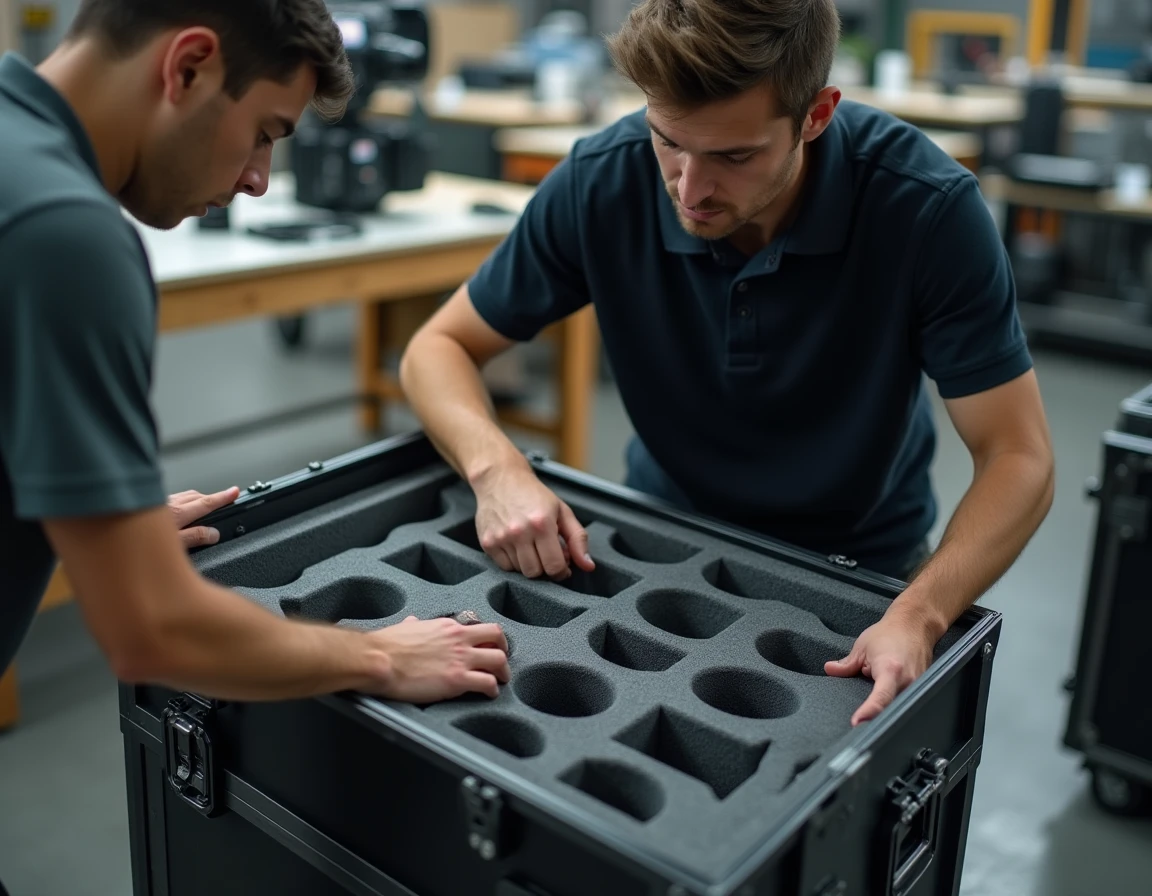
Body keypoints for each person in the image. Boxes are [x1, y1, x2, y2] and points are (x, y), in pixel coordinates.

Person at [399, 0, 1055, 726]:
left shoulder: (926, 209)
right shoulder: (602, 181)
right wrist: (498, 470)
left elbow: (1019, 456)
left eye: (735, 156)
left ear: (817, 113)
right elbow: (439, 348)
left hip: (858, 575)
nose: (689, 188)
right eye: (668, 141)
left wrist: (922, 612)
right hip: (661, 543)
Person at [0, 0, 510, 716]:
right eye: (265, 132)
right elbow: (154, 629)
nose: (259, 180)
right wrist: (382, 655)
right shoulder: (65, 236)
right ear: (190, 67)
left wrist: (106, 524)